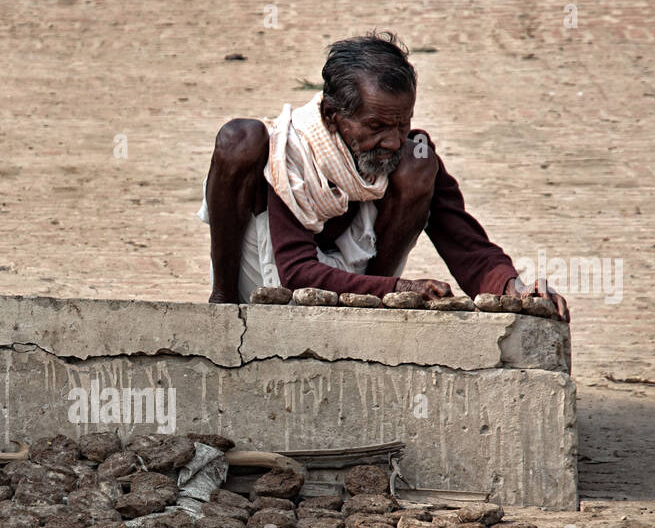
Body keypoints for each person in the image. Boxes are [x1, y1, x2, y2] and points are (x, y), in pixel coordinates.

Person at [199, 31, 569, 321]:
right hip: (272, 277)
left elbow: (465, 242)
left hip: (368, 284)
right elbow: (296, 273)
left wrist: (513, 288)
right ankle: (222, 301)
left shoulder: (407, 148)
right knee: (240, 136)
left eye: (401, 123)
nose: (391, 141)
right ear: (332, 115)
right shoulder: (292, 150)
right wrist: (403, 286)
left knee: (419, 157)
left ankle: (373, 311)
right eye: (375, 126)